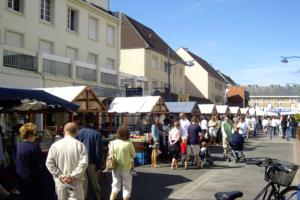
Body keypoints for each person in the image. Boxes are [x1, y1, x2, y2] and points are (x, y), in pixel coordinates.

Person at [46, 122, 88, 200]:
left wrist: (60, 175)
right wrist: (72, 176)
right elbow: (83, 164)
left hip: (60, 182)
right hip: (76, 182)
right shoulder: (80, 145)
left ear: (64, 131)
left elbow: (49, 163)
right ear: (76, 131)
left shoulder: (55, 145)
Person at [16, 123, 46, 200]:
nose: (35, 136)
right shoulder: (34, 147)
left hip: (21, 177)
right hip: (32, 179)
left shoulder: (19, 145)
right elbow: (40, 164)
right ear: (30, 135)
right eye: (34, 133)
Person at [76, 112, 102, 200]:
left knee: (83, 185)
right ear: (94, 121)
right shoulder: (97, 134)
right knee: (95, 184)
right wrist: (99, 167)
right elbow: (98, 152)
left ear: (84, 120)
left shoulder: (78, 133)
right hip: (92, 162)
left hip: (80, 162)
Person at [109, 126, 135, 200]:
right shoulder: (129, 143)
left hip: (115, 167)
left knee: (115, 187)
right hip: (126, 167)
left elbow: (110, 154)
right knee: (126, 188)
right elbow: (133, 155)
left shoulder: (113, 143)